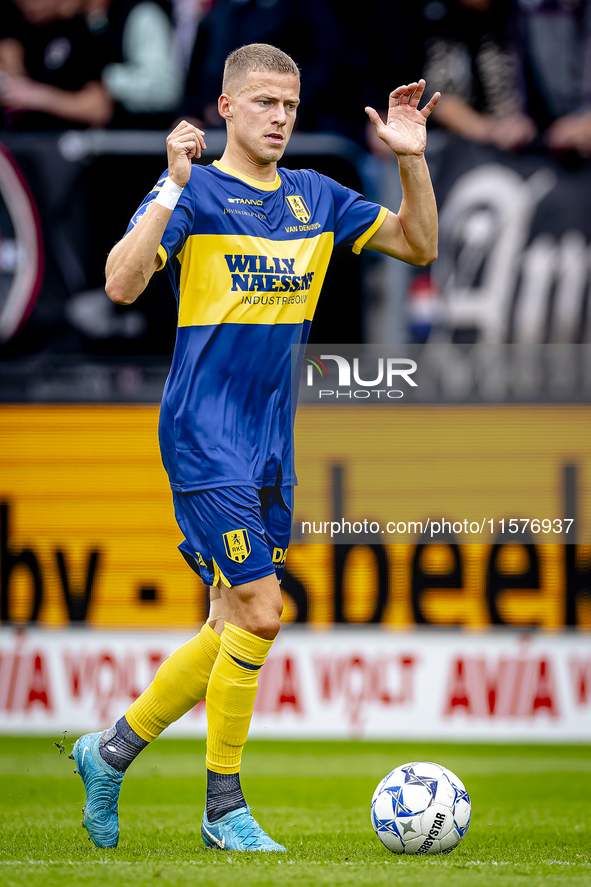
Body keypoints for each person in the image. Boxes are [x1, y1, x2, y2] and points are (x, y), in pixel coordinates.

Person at [70, 43, 439, 853]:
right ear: (227, 108)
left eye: (290, 105)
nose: (279, 117)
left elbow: (417, 246)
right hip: (203, 435)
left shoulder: (317, 198)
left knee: (230, 622)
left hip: (272, 442)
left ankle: (109, 751)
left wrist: (411, 160)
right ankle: (222, 807)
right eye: (265, 103)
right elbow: (122, 283)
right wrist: (169, 182)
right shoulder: (194, 192)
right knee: (263, 611)